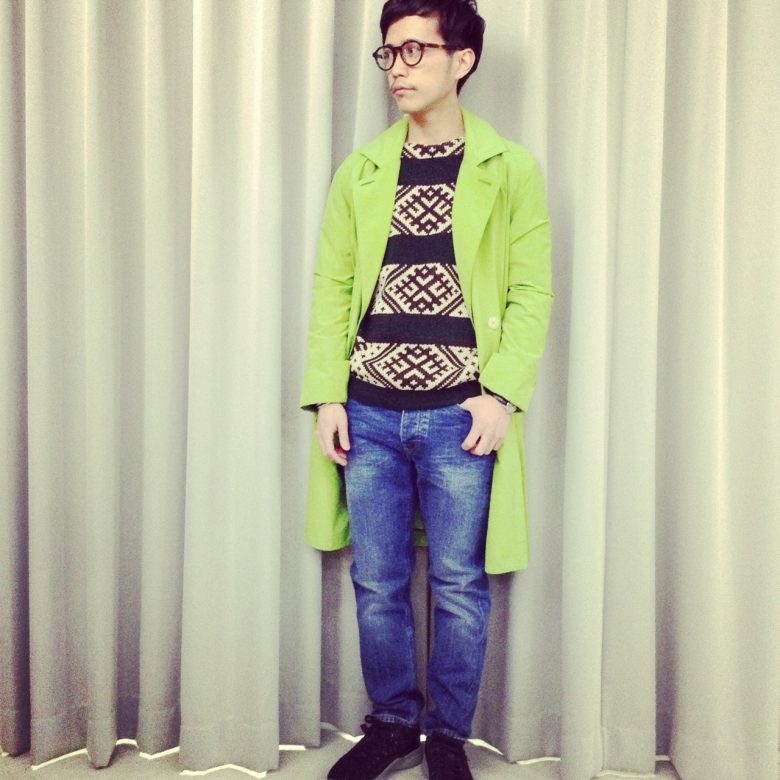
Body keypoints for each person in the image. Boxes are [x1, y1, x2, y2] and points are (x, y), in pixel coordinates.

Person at [299, 1, 552, 777]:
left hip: (457, 418)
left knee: (457, 584)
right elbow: (332, 286)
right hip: (368, 413)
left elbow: (530, 292)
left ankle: (447, 737)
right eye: (390, 53)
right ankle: (391, 726)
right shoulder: (362, 171)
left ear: (461, 60)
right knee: (376, 581)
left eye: (416, 50)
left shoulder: (509, 168)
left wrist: (500, 396)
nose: (398, 67)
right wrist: (329, 395)